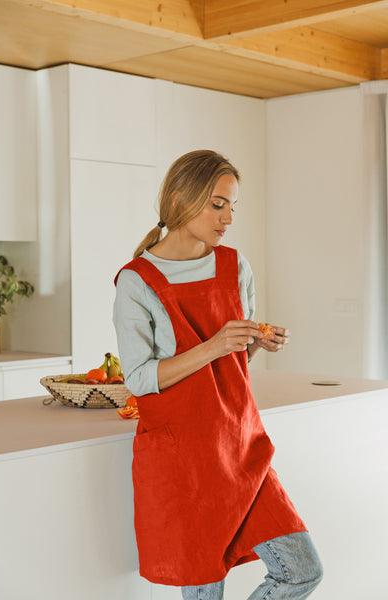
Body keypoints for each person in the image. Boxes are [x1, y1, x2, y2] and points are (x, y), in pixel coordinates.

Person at [113, 150, 323, 599]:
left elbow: (232, 366)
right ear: (181, 198)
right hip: (184, 458)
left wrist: (253, 344)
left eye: (232, 206)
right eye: (217, 204)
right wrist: (214, 345)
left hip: (241, 444)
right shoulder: (138, 280)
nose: (227, 217)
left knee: (302, 570)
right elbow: (139, 378)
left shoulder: (235, 265)